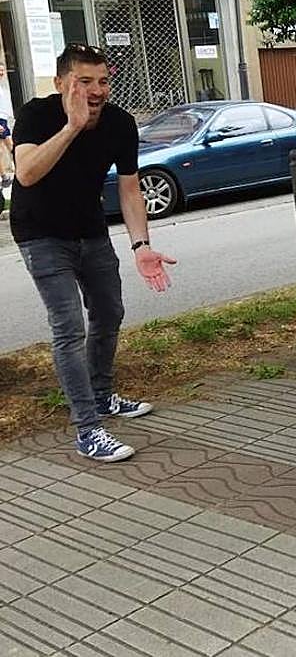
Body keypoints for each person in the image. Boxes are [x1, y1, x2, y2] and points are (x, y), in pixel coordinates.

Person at [11, 44, 175, 462]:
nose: (97, 90)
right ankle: (88, 429)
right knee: (68, 328)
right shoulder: (36, 115)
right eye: (85, 82)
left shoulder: (120, 124)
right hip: (41, 234)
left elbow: (130, 187)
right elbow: (27, 173)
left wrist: (141, 245)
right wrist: (71, 127)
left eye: (103, 81)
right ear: (61, 83)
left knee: (110, 312)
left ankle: (101, 395)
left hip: (91, 230)